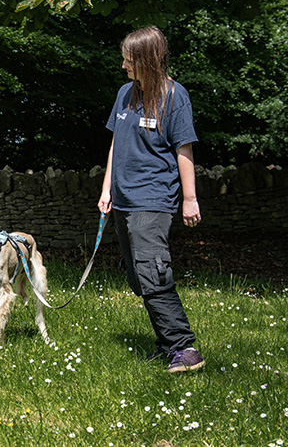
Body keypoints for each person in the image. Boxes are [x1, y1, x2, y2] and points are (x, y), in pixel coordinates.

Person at [97, 26, 205, 373]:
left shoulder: (175, 96)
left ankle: (184, 349)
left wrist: (190, 198)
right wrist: (106, 188)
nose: (124, 66)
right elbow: (116, 144)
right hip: (123, 199)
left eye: (129, 60)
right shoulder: (125, 94)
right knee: (137, 276)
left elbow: (183, 148)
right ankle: (166, 343)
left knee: (153, 274)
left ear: (147, 60)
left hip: (153, 198)